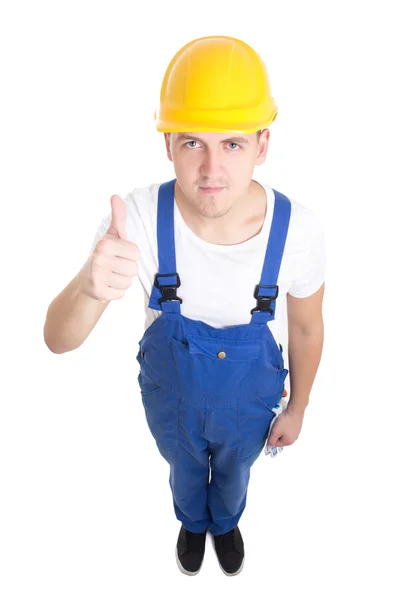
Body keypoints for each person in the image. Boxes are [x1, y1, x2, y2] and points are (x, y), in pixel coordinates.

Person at [43, 35, 325, 577]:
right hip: (171, 401)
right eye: (193, 143)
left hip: (252, 408)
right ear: (167, 144)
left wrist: (299, 407)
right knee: (186, 467)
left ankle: (226, 521)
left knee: (237, 471)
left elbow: (308, 329)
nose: (212, 169)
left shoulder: (299, 232)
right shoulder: (137, 221)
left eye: (233, 144)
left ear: (263, 145)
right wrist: (88, 286)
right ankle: (192, 519)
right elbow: (58, 340)